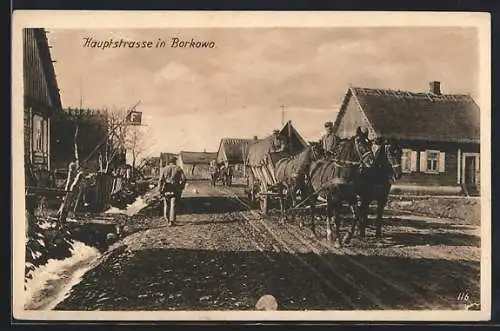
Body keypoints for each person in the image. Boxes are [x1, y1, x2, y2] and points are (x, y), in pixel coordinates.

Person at [158, 157, 187, 223]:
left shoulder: (164, 169)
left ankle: (167, 219)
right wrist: (181, 187)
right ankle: (172, 221)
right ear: (175, 162)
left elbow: (160, 180)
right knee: (173, 204)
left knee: (166, 205)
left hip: (166, 189)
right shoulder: (178, 168)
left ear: (169, 162)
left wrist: (159, 190)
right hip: (175, 189)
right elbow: (184, 179)